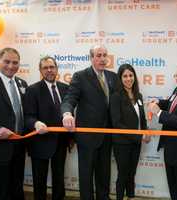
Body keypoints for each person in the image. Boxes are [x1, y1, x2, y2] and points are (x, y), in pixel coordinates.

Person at [61, 44, 117, 200]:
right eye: (98, 55)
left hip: (107, 136)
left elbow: (120, 103)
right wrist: (67, 114)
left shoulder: (113, 77)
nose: (102, 59)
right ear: (91, 58)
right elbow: (69, 99)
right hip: (87, 138)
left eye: (104, 55)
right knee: (86, 176)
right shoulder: (80, 76)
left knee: (104, 175)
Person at [24, 56, 69, 200]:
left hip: (61, 142)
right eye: (45, 67)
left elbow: (69, 113)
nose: (49, 70)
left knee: (59, 178)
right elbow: (28, 116)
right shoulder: (32, 90)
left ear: (56, 69)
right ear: (40, 70)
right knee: (39, 180)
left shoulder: (65, 88)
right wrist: (36, 123)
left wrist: (71, 138)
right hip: (39, 142)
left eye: (52, 67)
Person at [148, 62, 177, 200]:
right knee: (173, 188)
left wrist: (159, 113)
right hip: (171, 149)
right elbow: (171, 104)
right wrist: (160, 102)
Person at [110, 64, 150, 200]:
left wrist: (146, 131)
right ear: (120, 78)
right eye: (125, 76)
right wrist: (139, 136)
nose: (128, 79)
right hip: (122, 143)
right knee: (123, 174)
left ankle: (131, 197)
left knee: (132, 173)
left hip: (136, 143)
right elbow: (117, 124)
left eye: (131, 75)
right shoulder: (116, 96)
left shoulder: (138, 95)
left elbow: (142, 118)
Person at [0, 47, 28, 200]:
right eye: (7, 61)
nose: (11, 66)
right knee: (0, 190)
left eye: (15, 62)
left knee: (17, 187)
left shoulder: (22, 83)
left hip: (19, 146)